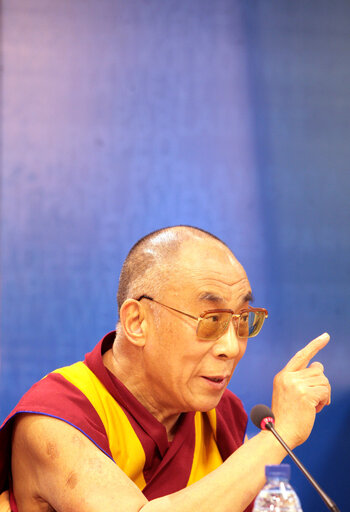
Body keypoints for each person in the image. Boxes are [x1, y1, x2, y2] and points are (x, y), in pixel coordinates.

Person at [0, 226, 331, 512]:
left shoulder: (221, 415)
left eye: (242, 320)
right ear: (137, 322)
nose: (231, 348)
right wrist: (278, 437)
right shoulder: (56, 418)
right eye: (212, 320)